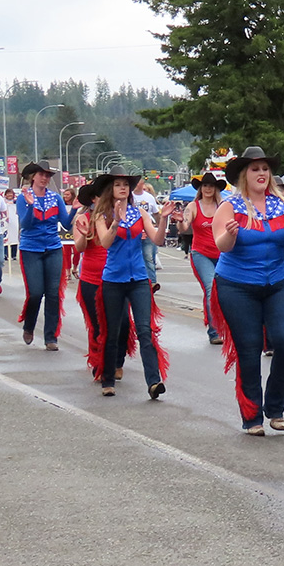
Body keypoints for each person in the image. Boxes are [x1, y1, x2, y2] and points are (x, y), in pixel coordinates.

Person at [211, 147, 284, 433]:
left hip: (279, 283)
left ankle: (275, 406)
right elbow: (220, 246)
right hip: (236, 285)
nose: (261, 173)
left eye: (264, 169)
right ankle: (252, 417)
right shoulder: (230, 206)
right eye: (255, 169)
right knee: (248, 350)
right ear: (244, 175)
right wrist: (230, 235)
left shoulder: (283, 204)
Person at [91, 166, 170, 398]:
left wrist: (163, 220)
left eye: (126, 184)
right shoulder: (101, 215)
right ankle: (108, 378)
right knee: (113, 330)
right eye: (118, 184)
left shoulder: (140, 214)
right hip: (113, 280)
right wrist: (115, 221)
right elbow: (105, 242)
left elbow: (158, 239)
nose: (123, 188)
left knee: (145, 330)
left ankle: (154, 382)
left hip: (139, 279)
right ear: (110, 189)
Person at [72, 184, 129, 383]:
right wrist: (85, 235)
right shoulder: (83, 218)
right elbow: (78, 248)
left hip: (117, 277)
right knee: (97, 325)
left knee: (123, 323)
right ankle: (100, 363)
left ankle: (117, 362)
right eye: (96, 197)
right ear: (93, 200)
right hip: (92, 278)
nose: (99, 200)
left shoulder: (118, 218)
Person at [15, 160, 75, 349]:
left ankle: (51, 337)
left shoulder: (55, 198)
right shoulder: (23, 197)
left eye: (48, 176)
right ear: (33, 176)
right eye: (42, 175)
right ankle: (29, 325)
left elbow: (65, 224)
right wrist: (32, 206)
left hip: (53, 248)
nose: (45, 179)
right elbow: (25, 225)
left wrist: (74, 208)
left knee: (53, 294)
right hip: (31, 248)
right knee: (35, 293)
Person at [185, 172, 225, 345]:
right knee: (211, 288)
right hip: (201, 253)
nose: (208, 188)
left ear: (216, 189)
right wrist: (180, 222)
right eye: (205, 185)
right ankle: (214, 332)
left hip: (223, 254)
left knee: (224, 292)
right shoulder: (193, 206)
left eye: (211, 186)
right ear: (201, 188)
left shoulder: (223, 206)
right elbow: (185, 224)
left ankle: (226, 327)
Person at [3, 187, 21, 263]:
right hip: (6, 221)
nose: (9, 195)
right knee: (6, 238)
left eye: (11, 193)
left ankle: (13, 254)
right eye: (8, 193)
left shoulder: (16, 202)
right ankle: (5, 254)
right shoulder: (3, 202)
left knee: (14, 238)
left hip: (14, 221)